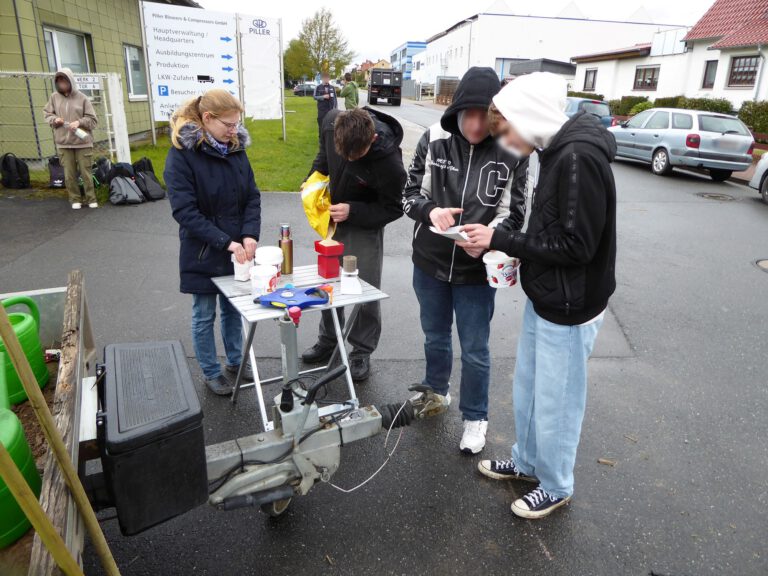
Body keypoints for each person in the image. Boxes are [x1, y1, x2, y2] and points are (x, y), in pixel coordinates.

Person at [462, 72, 617, 519]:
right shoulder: (555, 151)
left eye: (508, 130)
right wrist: (514, 249)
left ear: (526, 116)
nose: (508, 142)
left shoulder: (577, 158)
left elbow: (576, 246)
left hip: (571, 305)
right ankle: (528, 462)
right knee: (530, 388)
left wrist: (502, 242)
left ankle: (555, 483)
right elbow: (553, 228)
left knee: (558, 401)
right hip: (548, 296)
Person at [402, 67, 528, 455]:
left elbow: (517, 212)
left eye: (484, 115)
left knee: (475, 349)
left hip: (476, 270)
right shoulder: (434, 138)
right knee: (434, 337)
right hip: (429, 263)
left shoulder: (512, 148)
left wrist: (489, 240)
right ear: (455, 110)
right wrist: (430, 212)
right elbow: (407, 195)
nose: (475, 124)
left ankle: (476, 419)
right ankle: (436, 392)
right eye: (467, 114)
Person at [164, 90, 261, 396]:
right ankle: (210, 371)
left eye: (237, 124)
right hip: (203, 250)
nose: (234, 131)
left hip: (236, 250)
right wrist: (224, 242)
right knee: (204, 313)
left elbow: (252, 198)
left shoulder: (235, 149)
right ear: (207, 119)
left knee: (233, 310)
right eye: (228, 125)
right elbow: (184, 211)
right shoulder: (182, 154)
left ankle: (236, 360)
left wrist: (249, 235)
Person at [301, 107, 406, 381]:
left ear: (371, 139)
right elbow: (324, 157)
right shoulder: (330, 124)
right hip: (331, 222)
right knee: (327, 283)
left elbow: (394, 208)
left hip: (364, 224)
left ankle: (361, 350)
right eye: (343, 152)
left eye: (354, 156)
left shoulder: (389, 162)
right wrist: (311, 179)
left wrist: (354, 211)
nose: (347, 159)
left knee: (364, 288)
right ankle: (329, 340)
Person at [43, 68, 98, 209]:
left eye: (64, 80)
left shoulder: (83, 98)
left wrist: (79, 122)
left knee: (86, 173)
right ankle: (75, 200)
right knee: (69, 175)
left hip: (82, 143)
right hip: (64, 144)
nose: (62, 84)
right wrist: (55, 120)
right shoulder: (54, 97)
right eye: (59, 81)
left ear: (71, 81)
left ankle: (91, 199)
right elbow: (47, 114)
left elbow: (93, 120)